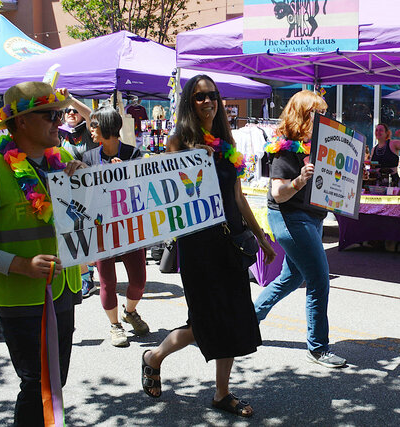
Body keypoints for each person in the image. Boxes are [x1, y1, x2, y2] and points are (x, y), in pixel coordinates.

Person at [141, 75, 276, 417]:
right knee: (202, 321)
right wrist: (189, 161)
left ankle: (221, 394)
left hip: (229, 242)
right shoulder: (178, 141)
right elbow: (168, 190)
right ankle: (153, 357)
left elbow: (238, 196)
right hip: (198, 245)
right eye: (200, 97)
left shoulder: (226, 143)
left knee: (231, 315)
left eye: (212, 96)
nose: (208, 102)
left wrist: (261, 237)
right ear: (190, 102)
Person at [0, 82, 86, 425]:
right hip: (22, 301)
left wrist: (86, 180)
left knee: (55, 383)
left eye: (59, 114)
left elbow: (86, 215)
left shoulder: (65, 160)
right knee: (36, 385)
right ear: (22, 122)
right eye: (50, 115)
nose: (59, 121)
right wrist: (21, 265)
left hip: (62, 293)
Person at [253, 90, 346, 369]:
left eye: (325, 112)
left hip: (310, 218)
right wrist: (300, 181)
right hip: (291, 218)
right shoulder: (285, 148)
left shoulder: (316, 146)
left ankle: (244, 321)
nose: (324, 117)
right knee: (318, 279)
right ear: (304, 116)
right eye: (318, 113)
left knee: (290, 278)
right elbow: (279, 193)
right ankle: (318, 348)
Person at [82, 106, 149, 347]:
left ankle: (129, 312)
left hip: (130, 227)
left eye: (94, 125)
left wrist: (125, 176)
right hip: (101, 227)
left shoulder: (133, 154)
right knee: (107, 282)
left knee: (139, 281)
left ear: (108, 128)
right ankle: (115, 325)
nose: (90, 130)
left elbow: (144, 190)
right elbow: (83, 194)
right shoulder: (88, 157)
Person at [58, 97, 99, 295]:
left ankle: (89, 271)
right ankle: (86, 276)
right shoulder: (60, 134)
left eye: (74, 111)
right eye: (67, 112)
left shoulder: (88, 132)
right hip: (70, 191)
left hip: (92, 189)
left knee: (89, 232)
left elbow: (93, 117)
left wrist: (71, 101)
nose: (71, 114)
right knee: (75, 232)